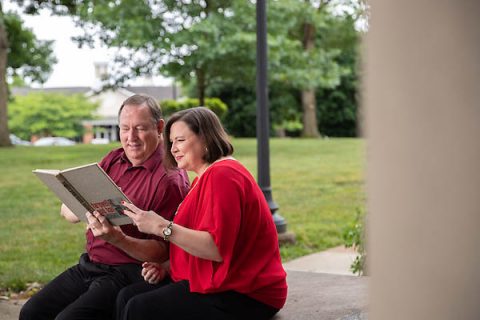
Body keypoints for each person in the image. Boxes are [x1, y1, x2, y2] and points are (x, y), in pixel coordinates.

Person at [20, 94, 190, 320]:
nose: (131, 138)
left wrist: (118, 239)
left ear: (159, 127)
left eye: (139, 128)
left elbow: (164, 252)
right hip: (91, 264)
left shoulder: (170, 180)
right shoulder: (115, 158)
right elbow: (76, 204)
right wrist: (73, 206)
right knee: (32, 312)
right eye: (125, 128)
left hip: (129, 272)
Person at [117, 107, 287, 320]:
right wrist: (166, 268)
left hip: (247, 292)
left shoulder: (223, 176)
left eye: (180, 140)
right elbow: (198, 240)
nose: (173, 149)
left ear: (205, 138)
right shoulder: (203, 179)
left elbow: (215, 248)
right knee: (126, 296)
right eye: (170, 142)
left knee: (140, 308)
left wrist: (160, 227)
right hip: (219, 281)